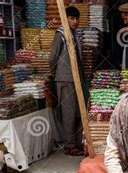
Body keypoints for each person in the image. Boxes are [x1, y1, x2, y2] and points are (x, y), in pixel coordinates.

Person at [49, 6, 85, 156]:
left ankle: (77, 142)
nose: (75, 22)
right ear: (66, 18)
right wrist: (55, 72)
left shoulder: (74, 34)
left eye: (77, 19)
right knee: (68, 112)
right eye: (71, 18)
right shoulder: (61, 34)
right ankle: (69, 145)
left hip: (77, 79)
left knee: (78, 111)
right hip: (65, 79)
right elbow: (52, 57)